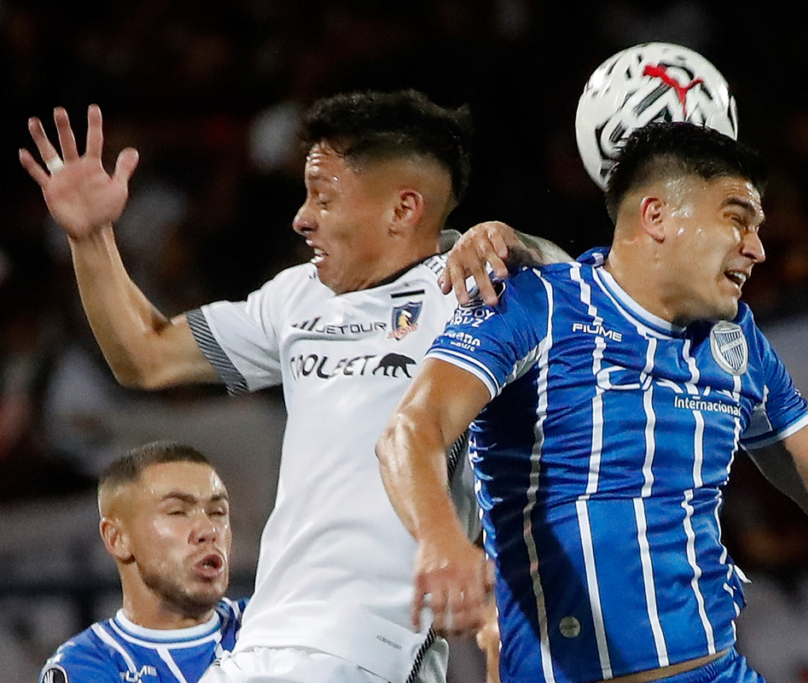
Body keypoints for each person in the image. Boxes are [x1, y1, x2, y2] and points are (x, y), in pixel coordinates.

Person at [375, 122, 808, 683]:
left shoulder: (737, 343)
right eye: (737, 218)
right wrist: (441, 541)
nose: (757, 248)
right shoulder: (534, 304)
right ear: (656, 216)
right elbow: (412, 431)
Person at [20, 91, 567, 683]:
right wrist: (91, 237)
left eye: (324, 198)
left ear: (404, 209)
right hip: (256, 641)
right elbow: (146, 357)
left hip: (366, 648)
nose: (301, 217)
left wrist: (516, 242)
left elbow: (593, 292)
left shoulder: (474, 291)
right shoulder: (297, 296)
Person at [39, 441, 244, 683]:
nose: (209, 530)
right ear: (117, 539)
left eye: (218, 512)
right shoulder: (84, 665)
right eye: (177, 512)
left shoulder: (268, 621)